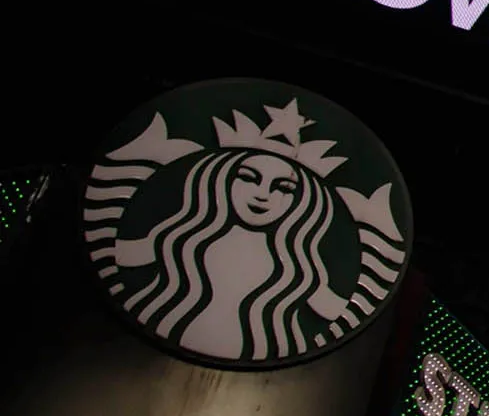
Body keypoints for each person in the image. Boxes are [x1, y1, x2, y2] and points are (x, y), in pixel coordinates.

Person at [111, 148, 354, 361]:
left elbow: (333, 308)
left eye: (283, 188)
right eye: (248, 178)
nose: (262, 195)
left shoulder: (300, 266)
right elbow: (123, 254)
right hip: (151, 345)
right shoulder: (179, 238)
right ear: (221, 179)